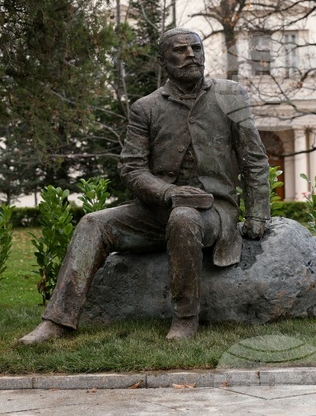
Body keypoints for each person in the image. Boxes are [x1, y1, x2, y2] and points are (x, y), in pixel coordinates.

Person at [21, 27, 271, 343]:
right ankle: (57, 321)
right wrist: (167, 192)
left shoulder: (230, 94)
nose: (190, 55)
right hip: (155, 210)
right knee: (92, 224)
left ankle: (185, 319)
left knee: (184, 219)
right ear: (162, 60)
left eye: (195, 48)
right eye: (180, 50)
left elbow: (253, 157)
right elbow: (132, 168)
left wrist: (258, 216)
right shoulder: (147, 107)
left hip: (213, 209)